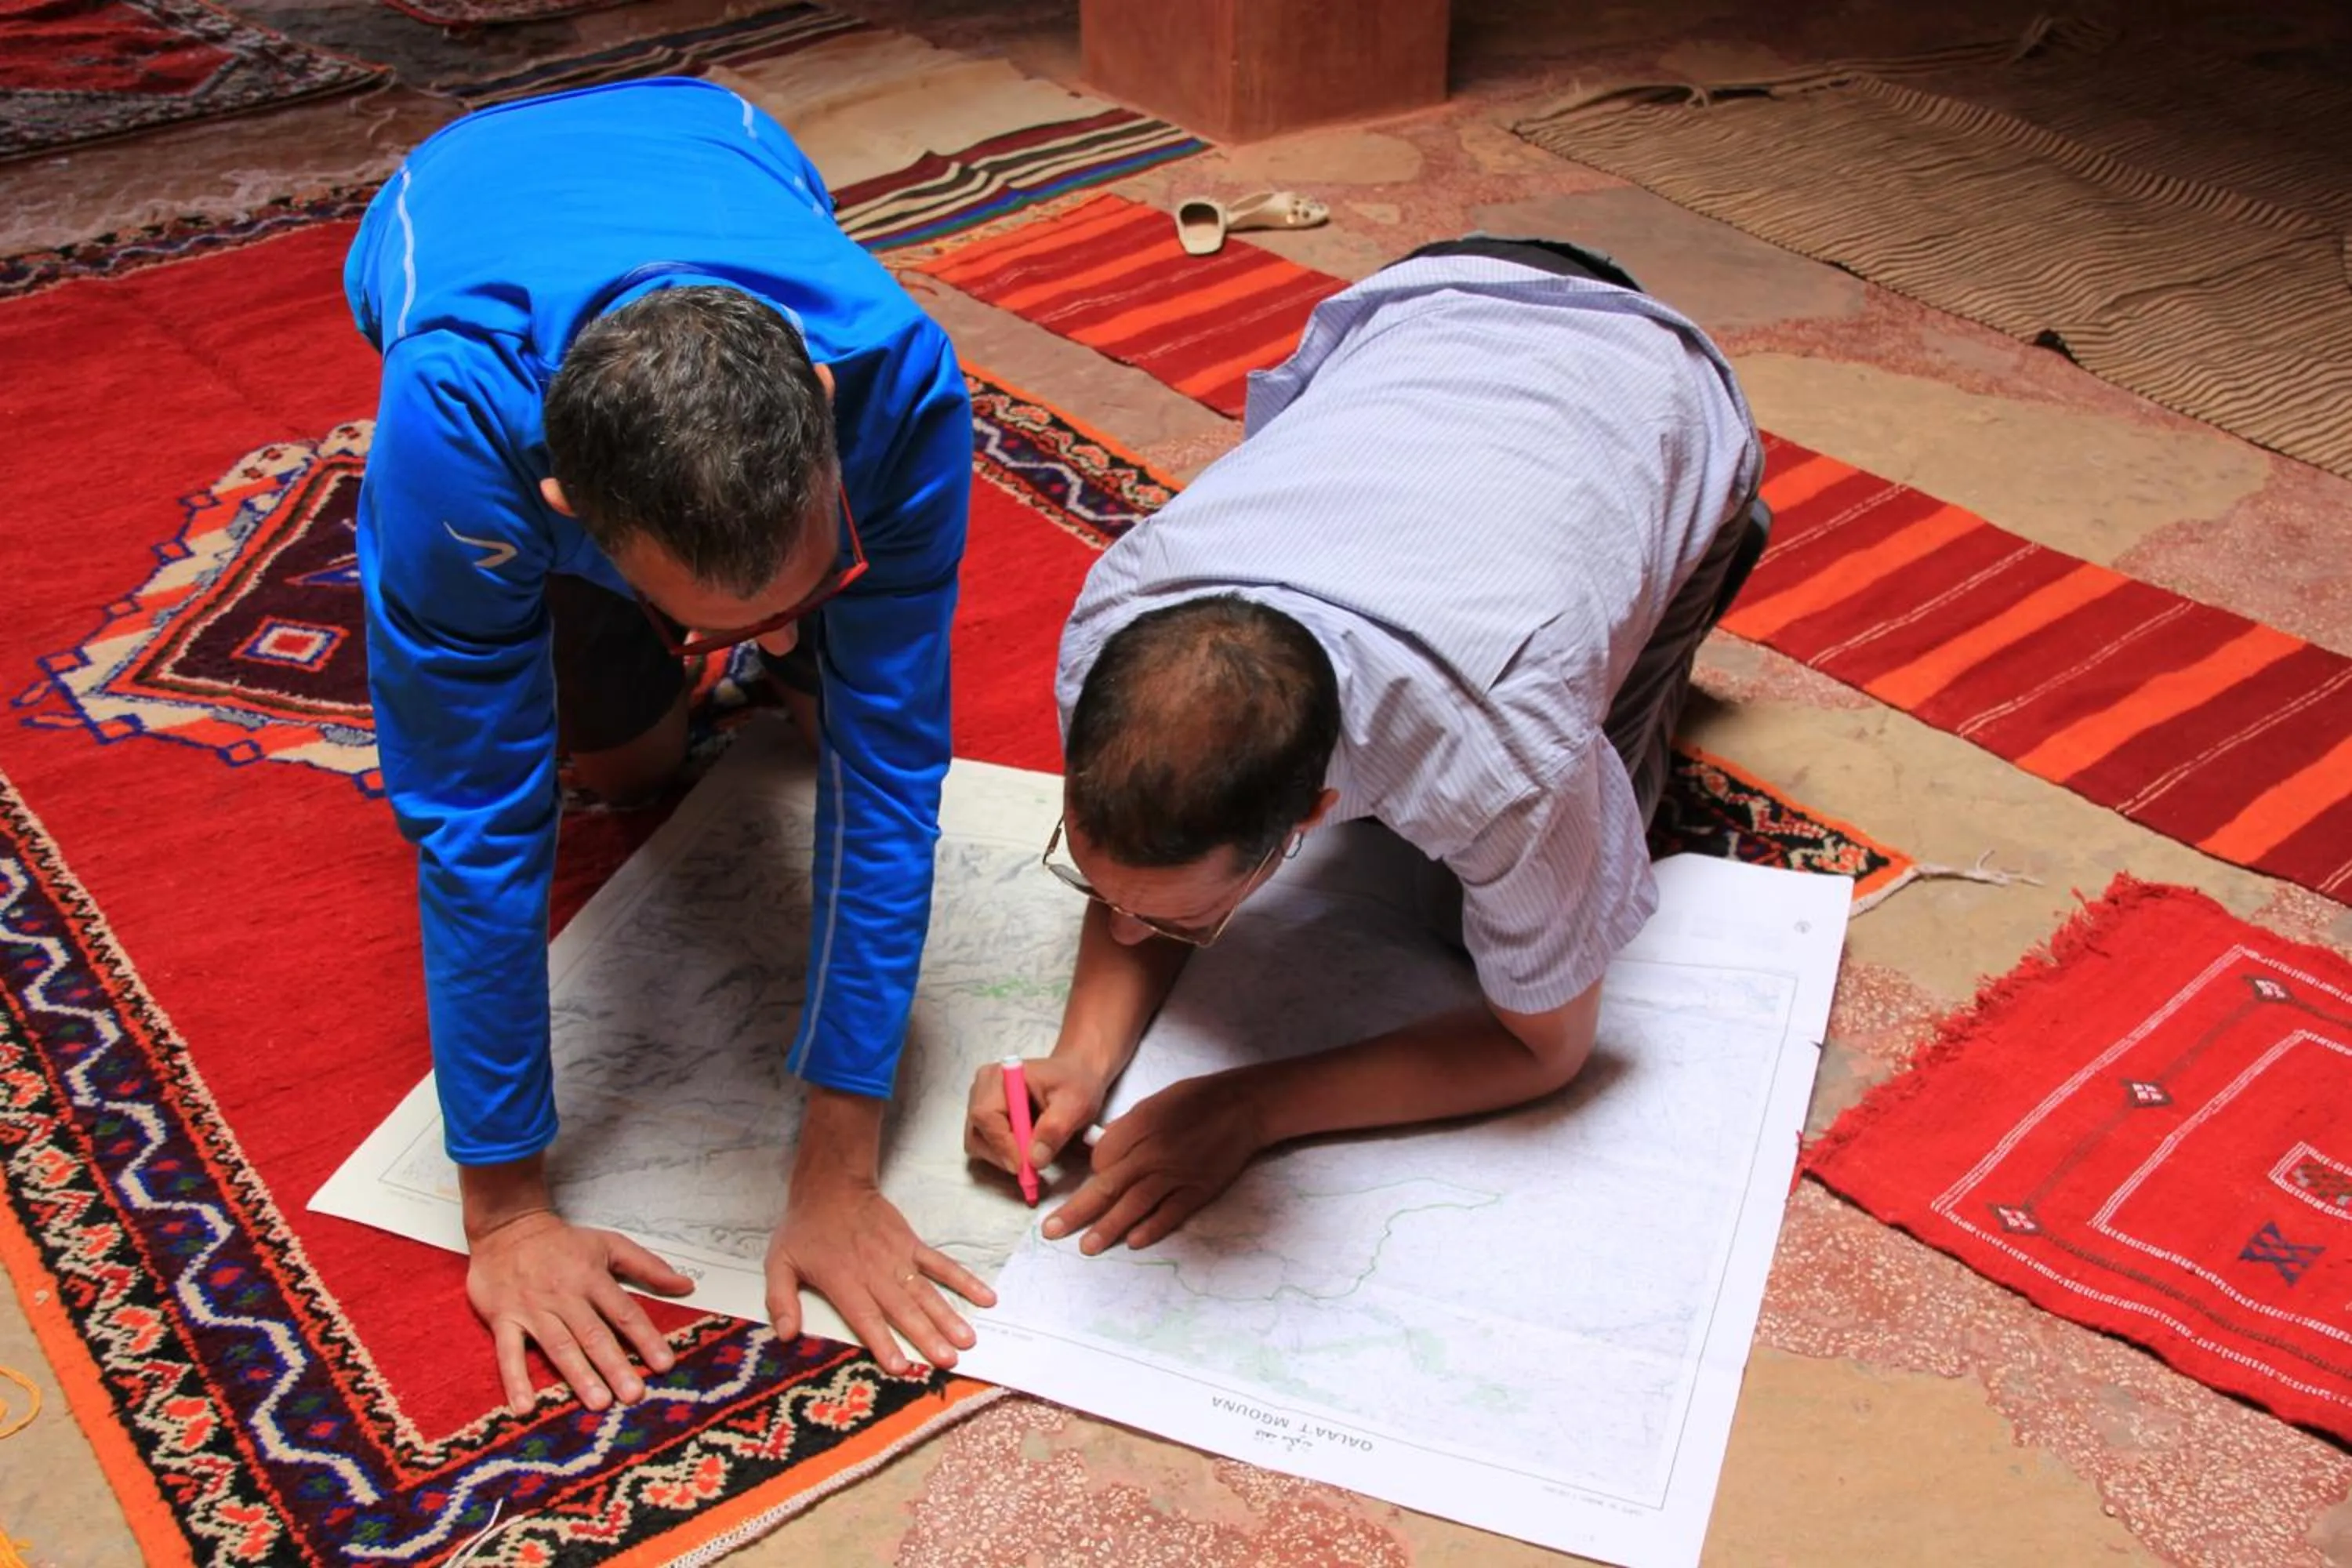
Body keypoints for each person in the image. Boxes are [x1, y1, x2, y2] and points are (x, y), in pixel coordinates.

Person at [345, 78, 991, 1413]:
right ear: (564, 515)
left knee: (832, 719)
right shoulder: (453, 430)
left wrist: (838, 1162)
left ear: (823, 404)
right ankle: (668, 637)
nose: (739, 641)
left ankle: (773, 623)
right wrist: (508, 1210)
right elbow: (474, 819)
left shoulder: (896, 377)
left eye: (787, 601)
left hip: (722, 134)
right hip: (457, 190)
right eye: (713, 623)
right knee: (619, 771)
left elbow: (892, 773)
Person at [965, 237, 1768, 1254]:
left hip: (1657, 384)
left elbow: (1545, 1052)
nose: (1127, 935)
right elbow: (1153, 857)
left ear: (1312, 811)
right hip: (1435, 295)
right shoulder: (1113, 628)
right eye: (1098, 890)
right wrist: (1081, 1060)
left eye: (1179, 916)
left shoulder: (1508, 763)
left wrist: (1251, 1107)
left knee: (1474, 912)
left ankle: (1703, 525)